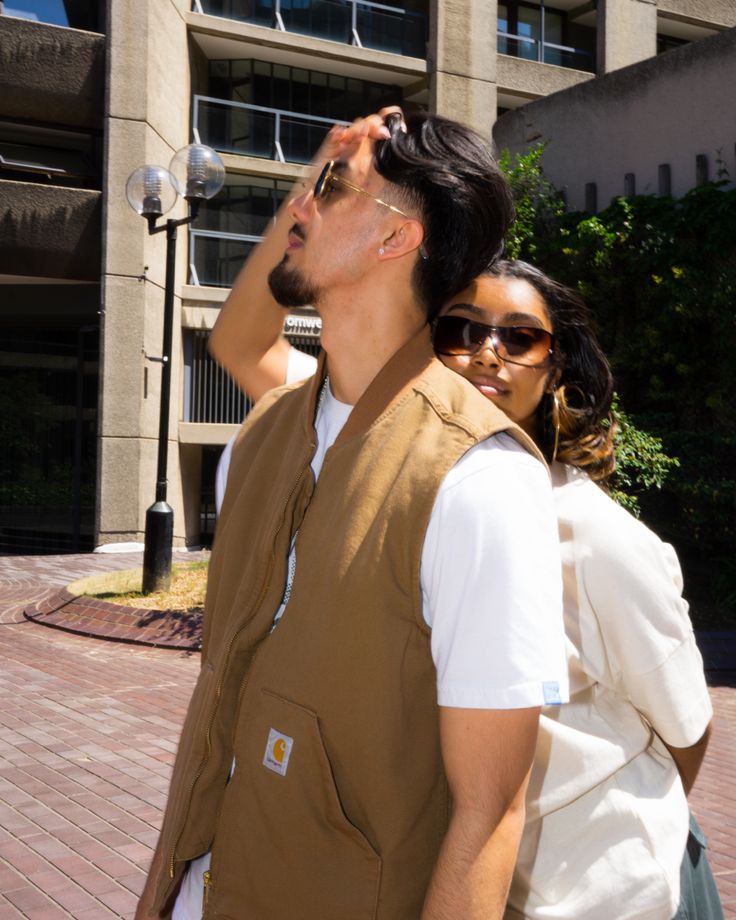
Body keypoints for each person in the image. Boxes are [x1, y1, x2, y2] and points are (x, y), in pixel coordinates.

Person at [136, 111, 569, 920]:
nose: (298, 205)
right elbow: (211, 715)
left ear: (396, 239)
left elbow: (490, 814)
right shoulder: (264, 436)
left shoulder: (482, 479)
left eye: (330, 186)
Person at [213, 254, 720, 920]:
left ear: (555, 366)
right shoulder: (399, 471)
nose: (488, 353)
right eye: (462, 330)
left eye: (520, 337)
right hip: (479, 887)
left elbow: (687, 731)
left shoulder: (598, 539)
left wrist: (598, 823)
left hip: (613, 895)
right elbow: (245, 346)